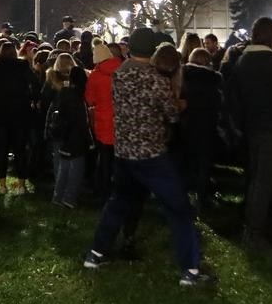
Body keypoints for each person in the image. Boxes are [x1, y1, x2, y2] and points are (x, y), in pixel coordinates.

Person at [83, 28, 215, 287]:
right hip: (151, 155)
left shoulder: (119, 74)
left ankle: (95, 254)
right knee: (179, 210)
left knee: (118, 203)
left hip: (123, 152)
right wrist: (180, 104)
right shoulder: (155, 79)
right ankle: (191, 271)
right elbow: (171, 115)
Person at [232, 17, 272, 245]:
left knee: (255, 178)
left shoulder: (243, 61)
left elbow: (236, 98)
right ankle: (254, 231)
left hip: (251, 129)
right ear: (271, 35)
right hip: (271, 130)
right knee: (265, 182)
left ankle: (250, 223)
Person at [0, 39, 37, 194]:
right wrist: (32, 99)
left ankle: (3, 185)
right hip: (20, 112)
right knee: (20, 149)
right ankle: (21, 184)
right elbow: (35, 83)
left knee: (1, 150)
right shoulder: (22, 66)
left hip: (0, 113)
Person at [180, 47, 223, 214]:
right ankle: (202, 198)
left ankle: (184, 196)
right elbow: (218, 105)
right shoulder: (213, 81)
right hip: (206, 127)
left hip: (186, 126)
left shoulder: (183, 77)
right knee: (203, 164)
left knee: (186, 163)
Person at [45, 52, 91, 208]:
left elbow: (44, 97)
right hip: (72, 132)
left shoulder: (57, 83)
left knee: (61, 161)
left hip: (58, 127)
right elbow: (80, 121)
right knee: (76, 164)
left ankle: (58, 196)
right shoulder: (76, 95)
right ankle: (69, 197)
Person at [86, 39, 124, 196]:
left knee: (105, 156)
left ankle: (103, 187)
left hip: (103, 120)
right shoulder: (124, 71)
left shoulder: (95, 75)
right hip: (122, 119)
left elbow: (90, 99)